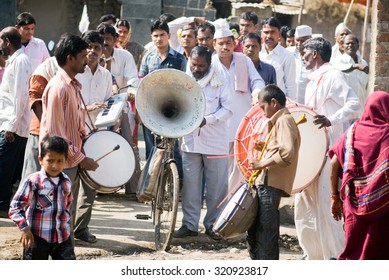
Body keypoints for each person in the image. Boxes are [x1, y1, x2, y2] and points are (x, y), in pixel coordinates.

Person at [294, 37, 361, 260]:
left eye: (305, 53)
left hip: (331, 151)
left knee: (326, 204)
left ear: (315, 54)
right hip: (313, 151)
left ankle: (334, 256)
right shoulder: (313, 80)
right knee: (305, 203)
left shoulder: (333, 75)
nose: (302, 57)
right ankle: (312, 254)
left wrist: (331, 119)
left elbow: (354, 105)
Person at [39, 33, 99, 243]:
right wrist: (82, 159)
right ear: (70, 58)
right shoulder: (59, 87)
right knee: (58, 217)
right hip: (61, 163)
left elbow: (71, 124)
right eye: (83, 56)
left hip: (70, 160)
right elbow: (56, 137)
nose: (87, 60)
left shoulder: (72, 85)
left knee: (65, 216)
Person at [173, 46, 233, 240]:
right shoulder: (184, 79)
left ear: (209, 64)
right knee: (190, 186)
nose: (197, 68)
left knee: (216, 188)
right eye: (194, 64)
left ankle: (214, 225)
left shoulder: (221, 78)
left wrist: (208, 120)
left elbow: (228, 109)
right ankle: (189, 225)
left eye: (201, 65)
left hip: (215, 141)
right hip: (190, 141)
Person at [328, 91, 389, 260]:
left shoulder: (351, 133)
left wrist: (334, 197)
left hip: (353, 201)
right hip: (384, 204)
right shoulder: (387, 133)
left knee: (354, 249)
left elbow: (334, 163)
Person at [247, 84, 300, 260]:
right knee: (260, 230)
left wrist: (262, 163)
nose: (262, 111)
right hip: (268, 182)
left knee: (266, 233)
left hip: (270, 183)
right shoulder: (281, 120)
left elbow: (287, 152)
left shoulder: (284, 120)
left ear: (274, 102)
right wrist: (265, 146)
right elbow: (280, 147)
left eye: (263, 107)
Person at [211, 28, 265, 191]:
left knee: (240, 165)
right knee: (219, 167)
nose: (225, 47)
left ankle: (235, 203)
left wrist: (256, 93)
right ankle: (220, 202)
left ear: (235, 44)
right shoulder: (210, 63)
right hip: (218, 123)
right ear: (214, 45)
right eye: (221, 43)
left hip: (242, 122)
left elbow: (257, 81)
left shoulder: (244, 60)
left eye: (228, 43)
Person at [73, 30, 113, 243]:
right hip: (74, 133)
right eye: (88, 46)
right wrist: (87, 108)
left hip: (96, 134)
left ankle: (81, 228)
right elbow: (69, 103)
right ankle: (65, 230)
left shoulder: (106, 75)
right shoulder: (76, 72)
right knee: (70, 183)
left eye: (97, 47)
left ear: (102, 50)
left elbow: (109, 103)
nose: (92, 51)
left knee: (90, 186)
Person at [8, 136, 75, 260]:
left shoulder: (66, 181)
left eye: (60, 161)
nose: (54, 165)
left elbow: (67, 206)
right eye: (50, 160)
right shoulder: (34, 181)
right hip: (36, 238)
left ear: (65, 160)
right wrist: (25, 228)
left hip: (62, 237)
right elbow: (15, 207)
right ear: (40, 160)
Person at [139, 19, 186, 181]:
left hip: (173, 111)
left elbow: (186, 85)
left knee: (174, 151)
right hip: (151, 110)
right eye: (155, 36)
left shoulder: (180, 59)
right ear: (151, 37)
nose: (159, 39)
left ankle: (177, 185)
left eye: (162, 35)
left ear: (169, 36)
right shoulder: (147, 58)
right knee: (151, 149)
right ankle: (150, 186)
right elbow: (142, 83)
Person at [0, 27, 32, 218]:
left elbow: (21, 96)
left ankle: (4, 205)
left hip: (13, 127)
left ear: (7, 41)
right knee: (10, 168)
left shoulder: (20, 61)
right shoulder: (14, 61)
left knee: (4, 167)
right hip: (9, 124)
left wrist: (11, 126)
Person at [260, 17, 297, 102]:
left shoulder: (287, 56)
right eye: (266, 32)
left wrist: (290, 107)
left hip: (277, 105)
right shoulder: (256, 53)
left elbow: (290, 85)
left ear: (279, 34)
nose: (269, 36)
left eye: (273, 32)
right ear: (261, 33)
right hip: (257, 105)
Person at [333, 34, 368, 117]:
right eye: (347, 43)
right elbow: (340, 69)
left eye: (353, 43)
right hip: (345, 110)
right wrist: (355, 66)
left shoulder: (363, 62)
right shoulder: (338, 61)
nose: (350, 45)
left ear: (358, 46)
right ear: (342, 46)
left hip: (360, 109)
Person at [287, 25, 312, 104]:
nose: (299, 43)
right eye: (297, 40)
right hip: (289, 100)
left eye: (303, 40)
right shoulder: (287, 53)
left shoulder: (315, 55)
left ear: (310, 40)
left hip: (308, 101)